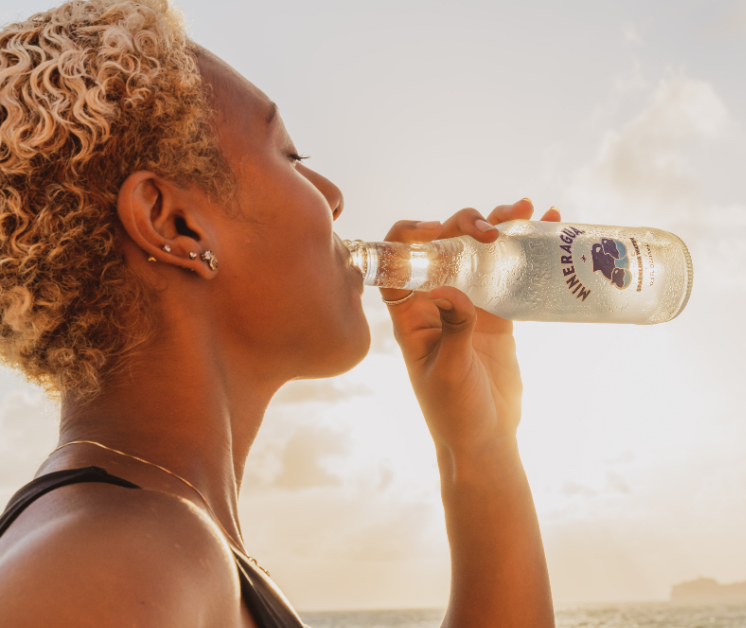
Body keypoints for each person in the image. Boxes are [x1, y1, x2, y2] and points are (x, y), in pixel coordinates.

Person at [0, 0, 557, 626]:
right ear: (173, 224)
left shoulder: (157, 540)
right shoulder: (117, 559)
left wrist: (480, 448)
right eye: (291, 155)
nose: (335, 198)